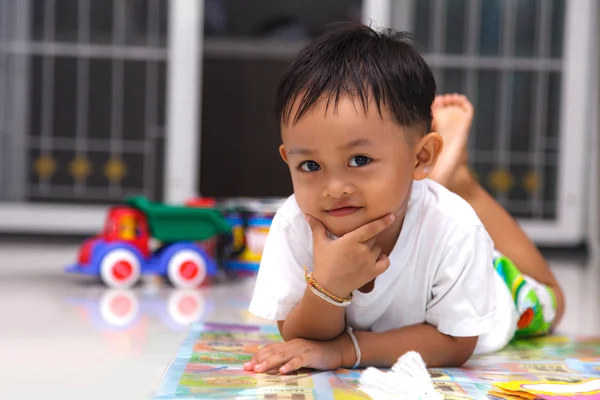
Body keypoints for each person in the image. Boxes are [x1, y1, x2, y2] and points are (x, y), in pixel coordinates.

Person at [243, 23, 564, 375]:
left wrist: (345, 352)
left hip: (490, 283)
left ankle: (462, 184)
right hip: (427, 228)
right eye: (309, 165)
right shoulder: (294, 224)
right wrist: (328, 287)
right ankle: (435, 179)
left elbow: (456, 344)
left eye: (359, 160)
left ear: (421, 154)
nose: (333, 188)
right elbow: (298, 337)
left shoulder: (453, 225)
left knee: (552, 304)